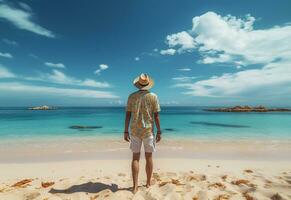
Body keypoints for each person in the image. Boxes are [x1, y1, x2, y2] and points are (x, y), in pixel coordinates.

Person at [124, 73, 161, 193]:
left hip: (134, 130)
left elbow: (128, 115)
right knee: (149, 157)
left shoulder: (131, 96)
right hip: (148, 130)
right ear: (148, 84)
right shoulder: (153, 96)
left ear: (138, 84)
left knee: (135, 158)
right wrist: (159, 131)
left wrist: (125, 130)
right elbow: (156, 116)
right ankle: (148, 183)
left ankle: (135, 187)